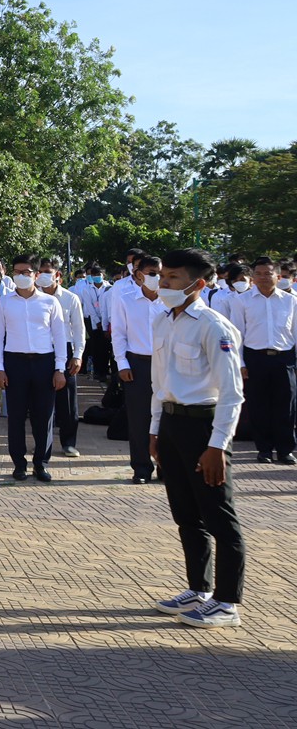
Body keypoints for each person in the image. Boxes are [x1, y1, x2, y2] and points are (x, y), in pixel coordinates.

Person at [149, 247, 247, 628]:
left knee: (219, 516)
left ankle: (227, 602)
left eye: (173, 278)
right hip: (172, 425)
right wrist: (155, 430)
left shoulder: (214, 327)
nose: (163, 284)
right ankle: (198, 589)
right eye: (162, 277)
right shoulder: (162, 322)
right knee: (186, 515)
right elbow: (159, 383)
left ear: (198, 284)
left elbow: (232, 393)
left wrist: (217, 445)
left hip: (204, 428)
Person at [0, 254, 68, 482]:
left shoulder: (50, 302)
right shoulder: (3, 302)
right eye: (17, 272)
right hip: (14, 363)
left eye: (26, 272)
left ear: (36, 275)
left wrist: (60, 368)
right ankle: (19, 464)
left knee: (43, 416)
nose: (21, 276)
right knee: (15, 417)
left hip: (44, 363)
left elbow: (60, 336)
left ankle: (41, 464)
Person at [223, 256, 297, 465]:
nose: (263, 277)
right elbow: (237, 334)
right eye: (258, 274)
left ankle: (285, 450)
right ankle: (264, 449)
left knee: (287, 405)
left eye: (268, 273)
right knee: (258, 405)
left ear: (278, 277)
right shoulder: (242, 301)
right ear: (253, 277)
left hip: (284, 358)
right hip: (255, 357)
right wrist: (240, 363)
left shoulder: (291, 300)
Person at [112, 255, 167, 483]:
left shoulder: (171, 300)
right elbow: (118, 333)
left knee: (167, 417)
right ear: (138, 275)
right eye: (152, 273)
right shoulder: (126, 300)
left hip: (167, 364)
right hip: (137, 364)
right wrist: (122, 363)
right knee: (138, 419)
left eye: (160, 273)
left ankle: (165, 465)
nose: (157, 278)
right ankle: (142, 468)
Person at [38, 258, 87, 458]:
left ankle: (68, 443)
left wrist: (77, 355)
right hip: (41, 350)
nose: (43, 275)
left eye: (47, 271)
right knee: (41, 401)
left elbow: (79, 329)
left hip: (65, 350)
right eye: (40, 271)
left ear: (57, 274)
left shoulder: (70, 298)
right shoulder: (33, 297)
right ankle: (42, 443)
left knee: (67, 400)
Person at [75, 263, 113, 381]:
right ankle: (97, 371)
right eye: (94, 275)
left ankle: (104, 371)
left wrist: (105, 321)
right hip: (93, 321)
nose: (96, 277)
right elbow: (89, 306)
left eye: (98, 274)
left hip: (106, 319)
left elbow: (109, 306)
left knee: (106, 346)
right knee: (96, 346)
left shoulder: (109, 288)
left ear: (103, 275)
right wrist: (97, 321)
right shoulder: (87, 289)